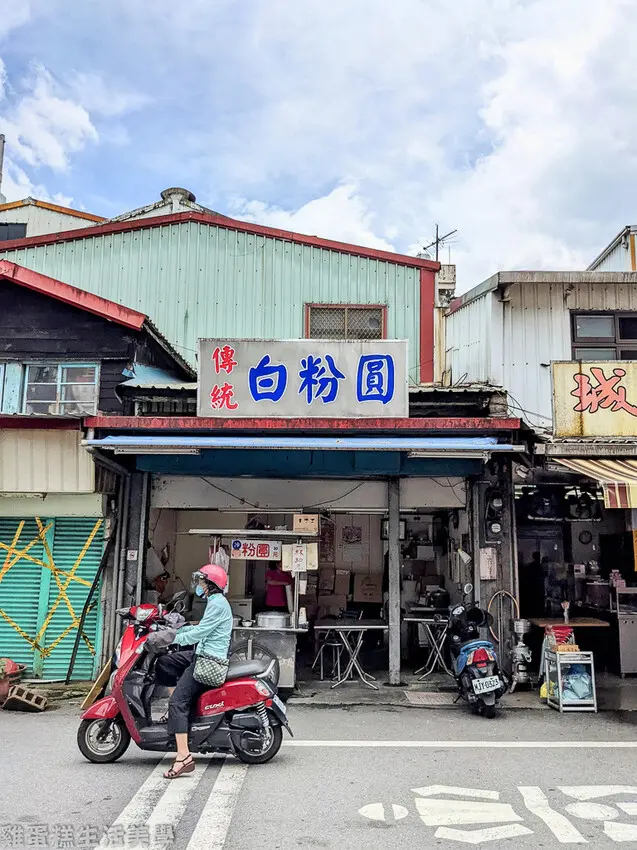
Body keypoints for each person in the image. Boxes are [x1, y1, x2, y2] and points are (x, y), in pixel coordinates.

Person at [154, 564, 233, 780]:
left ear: (210, 585)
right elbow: (199, 628)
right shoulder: (214, 602)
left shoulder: (218, 604)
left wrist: (171, 637)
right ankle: (176, 718)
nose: (198, 585)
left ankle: (183, 757)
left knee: (178, 702)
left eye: (201, 581)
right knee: (165, 663)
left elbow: (200, 633)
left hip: (209, 661)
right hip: (200, 654)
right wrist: (174, 629)